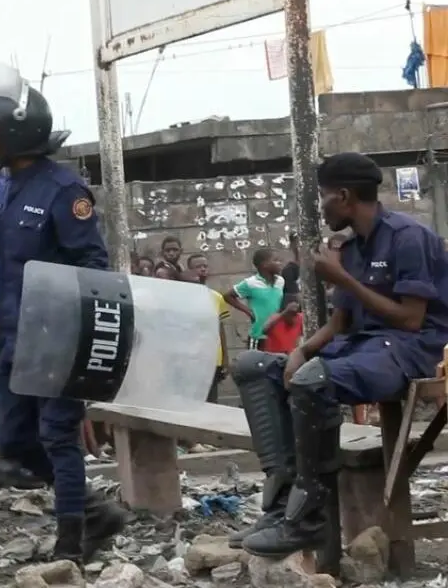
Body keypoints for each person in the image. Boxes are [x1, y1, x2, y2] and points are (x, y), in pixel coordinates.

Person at [230, 152, 448, 557]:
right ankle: (280, 508)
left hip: (411, 349)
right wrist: (303, 349)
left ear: (344, 196)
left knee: (315, 382)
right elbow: (342, 322)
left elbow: (411, 320)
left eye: (324, 197)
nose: (322, 207)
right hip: (362, 345)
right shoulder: (349, 248)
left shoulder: (406, 237)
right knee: (256, 367)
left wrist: (341, 278)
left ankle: (307, 518)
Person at [0, 70, 126, 562]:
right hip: (17, 340)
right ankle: (92, 510)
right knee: (15, 443)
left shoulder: (64, 190)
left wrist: (73, 331)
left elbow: (92, 264)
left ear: (17, 131)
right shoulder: (5, 188)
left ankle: (71, 543)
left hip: (60, 338)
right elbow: (10, 266)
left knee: (58, 436)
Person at [179, 270, 229, 402]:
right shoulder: (177, 301)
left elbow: (220, 329)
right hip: (186, 359)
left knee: (211, 401)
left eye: (197, 283)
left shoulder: (215, 297)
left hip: (211, 358)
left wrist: (225, 358)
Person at [224, 249, 284, 350]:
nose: (280, 263)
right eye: (275, 260)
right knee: (255, 364)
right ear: (264, 265)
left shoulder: (281, 281)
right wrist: (248, 311)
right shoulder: (251, 283)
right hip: (258, 335)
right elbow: (228, 296)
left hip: (277, 334)